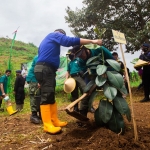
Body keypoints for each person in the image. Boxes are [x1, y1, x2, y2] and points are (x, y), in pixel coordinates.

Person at [34, 29, 102, 134]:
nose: (62, 37)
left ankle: (54, 120)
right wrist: (92, 41)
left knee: (50, 95)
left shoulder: (46, 41)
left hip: (47, 69)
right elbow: (69, 41)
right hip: (45, 68)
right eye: (62, 35)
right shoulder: (54, 34)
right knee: (46, 95)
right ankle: (47, 125)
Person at [66, 45, 114, 117]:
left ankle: (114, 113)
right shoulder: (80, 60)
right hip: (95, 75)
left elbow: (112, 61)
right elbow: (85, 71)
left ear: (86, 49)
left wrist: (106, 72)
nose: (81, 57)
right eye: (78, 56)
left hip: (109, 72)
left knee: (112, 93)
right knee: (86, 92)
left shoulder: (99, 49)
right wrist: (91, 85)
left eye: (81, 54)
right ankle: (83, 114)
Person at [26, 55, 41, 124]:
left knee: (39, 96)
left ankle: (41, 114)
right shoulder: (38, 57)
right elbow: (38, 69)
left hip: (37, 79)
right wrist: (39, 80)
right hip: (34, 79)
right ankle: (34, 115)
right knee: (34, 96)